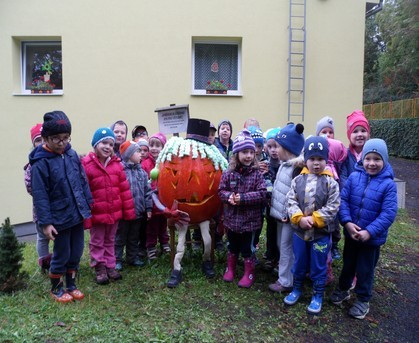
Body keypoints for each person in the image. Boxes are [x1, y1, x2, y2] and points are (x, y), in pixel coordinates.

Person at [331, 139, 397, 320]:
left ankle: (363, 299)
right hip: (352, 234)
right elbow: (343, 201)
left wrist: (370, 232)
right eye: (368, 158)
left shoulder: (389, 185)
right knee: (348, 264)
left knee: (365, 269)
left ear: (385, 160)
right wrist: (347, 222)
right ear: (362, 159)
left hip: (371, 239)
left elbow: (388, 213)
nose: (372, 163)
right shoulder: (354, 177)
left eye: (377, 159)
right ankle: (344, 289)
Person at [30, 111, 92, 303]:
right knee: (62, 253)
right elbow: (40, 196)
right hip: (59, 218)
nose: (61, 142)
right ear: (46, 139)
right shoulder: (40, 163)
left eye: (65, 138)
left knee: (76, 250)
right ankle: (57, 288)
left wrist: (88, 203)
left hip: (76, 214)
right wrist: (46, 223)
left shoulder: (72, 155)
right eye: (56, 138)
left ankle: (71, 284)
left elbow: (82, 181)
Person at [284, 136, 340, 314]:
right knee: (299, 261)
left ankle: (318, 294)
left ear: (326, 159)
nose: (316, 163)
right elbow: (290, 201)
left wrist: (315, 219)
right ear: (305, 159)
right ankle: (297, 288)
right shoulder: (297, 181)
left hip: (321, 234)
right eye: (312, 159)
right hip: (300, 233)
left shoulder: (331, 183)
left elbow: (333, 206)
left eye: (320, 159)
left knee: (318, 265)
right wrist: (299, 218)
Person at [82, 127, 136, 284]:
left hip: (114, 212)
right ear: (95, 144)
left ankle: (110, 266)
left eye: (111, 144)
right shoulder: (87, 165)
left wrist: (129, 211)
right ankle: (99, 267)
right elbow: (84, 190)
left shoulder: (117, 165)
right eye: (104, 143)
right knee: (97, 240)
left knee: (110, 240)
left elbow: (124, 190)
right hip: (97, 213)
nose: (107, 147)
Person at [218, 129, 267, 288]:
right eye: (244, 152)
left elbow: (262, 194)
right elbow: (221, 191)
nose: (248, 156)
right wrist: (229, 197)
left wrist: (244, 198)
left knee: (247, 248)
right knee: (232, 245)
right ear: (236, 154)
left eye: (251, 152)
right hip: (232, 220)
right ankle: (230, 268)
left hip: (250, 221)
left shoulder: (257, 174)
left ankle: (249, 272)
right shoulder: (228, 173)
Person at [269, 123, 305, 293]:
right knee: (281, 244)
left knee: (286, 247)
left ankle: (285, 281)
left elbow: (293, 194)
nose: (275, 150)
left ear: (288, 148)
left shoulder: (296, 169)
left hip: (288, 218)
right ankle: (286, 274)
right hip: (281, 217)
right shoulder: (285, 164)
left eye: (278, 146)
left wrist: (286, 213)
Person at [115, 140, 152, 271]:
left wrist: (148, 208)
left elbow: (147, 192)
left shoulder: (142, 172)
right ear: (129, 154)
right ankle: (117, 259)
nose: (141, 153)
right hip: (124, 213)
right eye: (137, 151)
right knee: (120, 236)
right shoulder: (120, 171)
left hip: (138, 212)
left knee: (133, 237)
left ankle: (132, 257)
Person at [315, 116, 347, 261]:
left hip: (333, 189)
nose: (327, 136)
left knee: (333, 218)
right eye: (324, 132)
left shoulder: (337, 149)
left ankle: (334, 245)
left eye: (330, 132)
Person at [24, 123, 52, 273]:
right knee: (42, 238)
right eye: (38, 140)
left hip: (57, 208)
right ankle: (45, 263)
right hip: (41, 209)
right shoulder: (32, 164)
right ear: (33, 143)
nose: (41, 143)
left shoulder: (54, 159)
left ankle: (61, 261)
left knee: (59, 236)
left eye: (44, 139)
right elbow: (30, 186)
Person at [142, 133, 171, 261]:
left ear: (163, 147)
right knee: (152, 228)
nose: (154, 148)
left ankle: (165, 244)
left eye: (157, 145)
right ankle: (151, 248)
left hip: (164, 200)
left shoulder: (166, 162)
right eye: (151, 145)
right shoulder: (145, 163)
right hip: (151, 203)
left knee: (163, 226)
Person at [261, 127, 281, 272]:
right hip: (270, 203)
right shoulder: (265, 164)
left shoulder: (285, 164)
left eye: (276, 146)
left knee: (281, 233)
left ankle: (280, 258)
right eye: (270, 146)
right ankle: (270, 255)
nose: (273, 150)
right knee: (271, 230)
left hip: (282, 205)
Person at [340, 110, 371, 188]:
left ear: (368, 134)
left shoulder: (373, 155)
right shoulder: (345, 155)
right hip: (350, 195)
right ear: (349, 135)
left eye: (363, 131)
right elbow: (343, 178)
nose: (360, 134)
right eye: (355, 131)